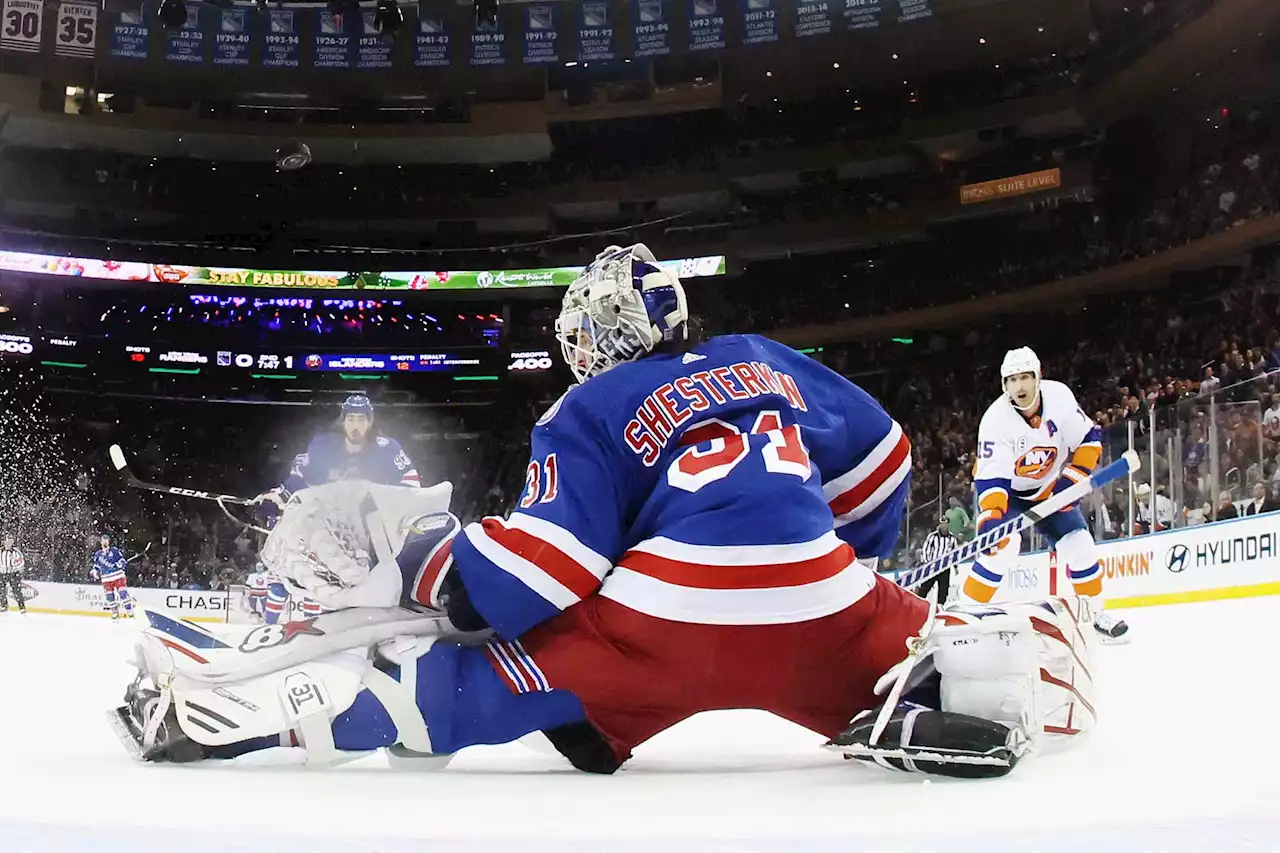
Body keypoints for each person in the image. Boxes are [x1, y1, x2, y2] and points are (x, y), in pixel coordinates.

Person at [114, 244, 1099, 779]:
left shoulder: (585, 404)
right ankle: (925, 687)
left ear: (593, 340)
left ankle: (240, 725)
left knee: (452, 693)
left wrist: (440, 570)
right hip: (823, 610)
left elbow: (543, 569)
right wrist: (836, 557)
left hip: (664, 623)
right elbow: (884, 460)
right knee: (916, 644)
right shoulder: (760, 356)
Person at [965, 347, 1129, 642]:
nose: (1020, 386)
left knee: (1080, 544)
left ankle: (1094, 615)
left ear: (1038, 377)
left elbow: (1089, 440)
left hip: (1049, 488)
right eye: (1012, 380)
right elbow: (992, 481)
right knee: (1001, 548)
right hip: (1009, 494)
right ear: (1005, 386)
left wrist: (1069, 485)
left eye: (1026, 377)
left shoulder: (1060, 397)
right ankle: (965, 617)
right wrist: (991, 518)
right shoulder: (995, 421)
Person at [256, 394, 422, 624]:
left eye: (362, 419)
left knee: (341, 582)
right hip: (325, 524)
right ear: (343, 421)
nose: (356, 425)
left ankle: (327, 626)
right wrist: (279, 495)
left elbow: (411, 481)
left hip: (366, 532)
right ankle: (271, 625)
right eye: (351, 418)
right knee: (288, 568)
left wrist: (399, 510)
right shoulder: (323, 446)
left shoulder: (387, 449)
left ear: (371, 422)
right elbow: (300, 478)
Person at [90, 534, 134, 621]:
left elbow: (122, 560)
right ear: (101, 542)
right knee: (109, 596)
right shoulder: (98, 554)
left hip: (118, 576)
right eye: (103, 540)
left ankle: (130, 611)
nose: (104, 542)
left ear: (108, 541)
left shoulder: (114, 551)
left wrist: (120, 564)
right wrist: (95, 571)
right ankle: (114, 612)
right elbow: (96, 566)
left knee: (123, 594)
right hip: (106, 578)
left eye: (106, 540)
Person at [917, 517, 957, 604]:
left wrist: (955, 566)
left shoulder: (952, 538)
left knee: (944, 589)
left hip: (944, 567)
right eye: (942, 524)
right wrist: (927, 563)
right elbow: (926, 550)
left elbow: (954, 553)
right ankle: (918, 604)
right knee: (925, 587)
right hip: (932, 566)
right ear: (939, 525)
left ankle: (940, 606)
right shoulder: (932, 537)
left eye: (945, 524)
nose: (944, 526)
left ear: (948, 525)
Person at [0, 533, 27, 614]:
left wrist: (15, 568)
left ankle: (21, 606)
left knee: (17, 590)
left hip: (14, 573)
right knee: (1, 590)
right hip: (2, 573)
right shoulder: (1, 551)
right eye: (8, 539)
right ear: (4, 541)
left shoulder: (16, 552)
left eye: (11, 540)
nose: (9, 541)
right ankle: (4, 605)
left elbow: (21, 562)